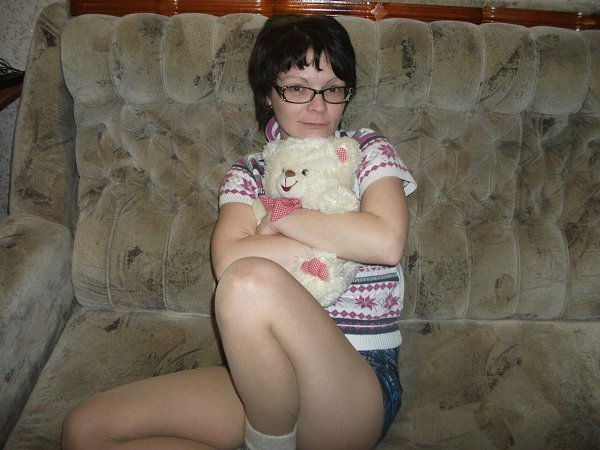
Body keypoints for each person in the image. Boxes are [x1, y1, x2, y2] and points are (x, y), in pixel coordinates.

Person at [61, 14, 416, 450]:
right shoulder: (248, 173)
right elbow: (228, 259)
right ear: (268, 93)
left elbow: (385, 242)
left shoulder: (366, 150)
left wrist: (280, 217)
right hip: (261, 380)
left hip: (354, 379)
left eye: (333, 88)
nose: (318, 106)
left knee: (249, 283)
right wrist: (338, 236)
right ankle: (269, 435)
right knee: (85, 431)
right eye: (297, 88)